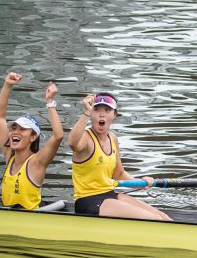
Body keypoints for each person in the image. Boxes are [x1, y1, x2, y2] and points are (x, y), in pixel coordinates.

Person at [69, 92, 171, 220]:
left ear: (114, 115)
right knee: (155, 219)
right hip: (87, 200)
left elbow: (119, 173)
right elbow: (73, 144)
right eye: (96, 109)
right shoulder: (86, 137)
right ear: (91, 114)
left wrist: (142, 183)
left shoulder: (113, 139)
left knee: (164, 217)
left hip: (109, 194)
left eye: (107, 110)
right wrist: (85, 112)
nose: (102, 114)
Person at [0, 72, 64, 209]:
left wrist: (50, 102)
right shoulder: (9, 155)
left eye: (22, 129)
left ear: (33, 137)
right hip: (9, 215)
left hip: (29, 217)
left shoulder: (37, 162)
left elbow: (58, 136)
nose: (15, 132)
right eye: (13, 128)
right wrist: (7, 85)